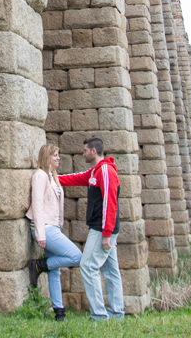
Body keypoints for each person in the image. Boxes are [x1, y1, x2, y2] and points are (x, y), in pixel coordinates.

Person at [58, 136, 124, 320]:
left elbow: (110, 203)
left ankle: (99, 315)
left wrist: (106, 234)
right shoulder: (95, 171)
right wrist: (54, 178)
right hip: (103, 229)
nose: (83, 153)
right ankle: (117, 313)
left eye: (85, 150)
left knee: (87, 266)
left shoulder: (105, 171)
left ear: (93, 151)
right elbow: (77, 178)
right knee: (110, 271)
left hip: (102, 229)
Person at [26, 143, 82, 320]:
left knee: (55, 271)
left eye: (58, 155)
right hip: (44, 227)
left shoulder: (52, 176)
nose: (58, 158)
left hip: (53, 226)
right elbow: (37, 205)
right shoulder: (40, 176)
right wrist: (41, 235)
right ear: (47, 157)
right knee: (76, 256)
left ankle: (59, 311)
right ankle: (39, 265)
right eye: (55, 155)